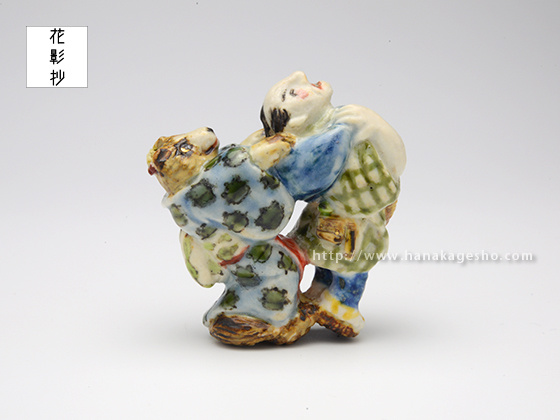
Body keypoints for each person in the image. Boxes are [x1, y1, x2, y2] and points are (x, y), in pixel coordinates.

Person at [243, 71, 406, 336]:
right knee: (325, 254)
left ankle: (344, 306)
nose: (300, 75)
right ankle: (320, 290)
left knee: (351, 262)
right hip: (328, 212)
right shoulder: (319, 140)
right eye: (292, 92)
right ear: (298, 120)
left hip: (359, 212)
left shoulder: (352, 121)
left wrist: (374, 126)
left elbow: (396, 162)